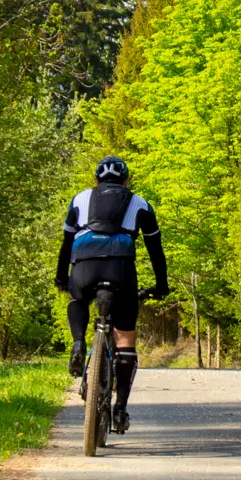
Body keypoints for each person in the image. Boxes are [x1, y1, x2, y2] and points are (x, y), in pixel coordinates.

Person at [55, 155, 168, 433]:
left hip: (84, 266)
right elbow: (155, 249)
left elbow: (66, 243)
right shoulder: (140, 203)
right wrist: (161, 285)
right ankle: (120, 409)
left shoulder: (79, 199)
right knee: (126, 341)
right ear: (126, 180)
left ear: (96, 180)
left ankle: (78, 343)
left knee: (78, 299)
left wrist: (61, 278)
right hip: (121, 269)